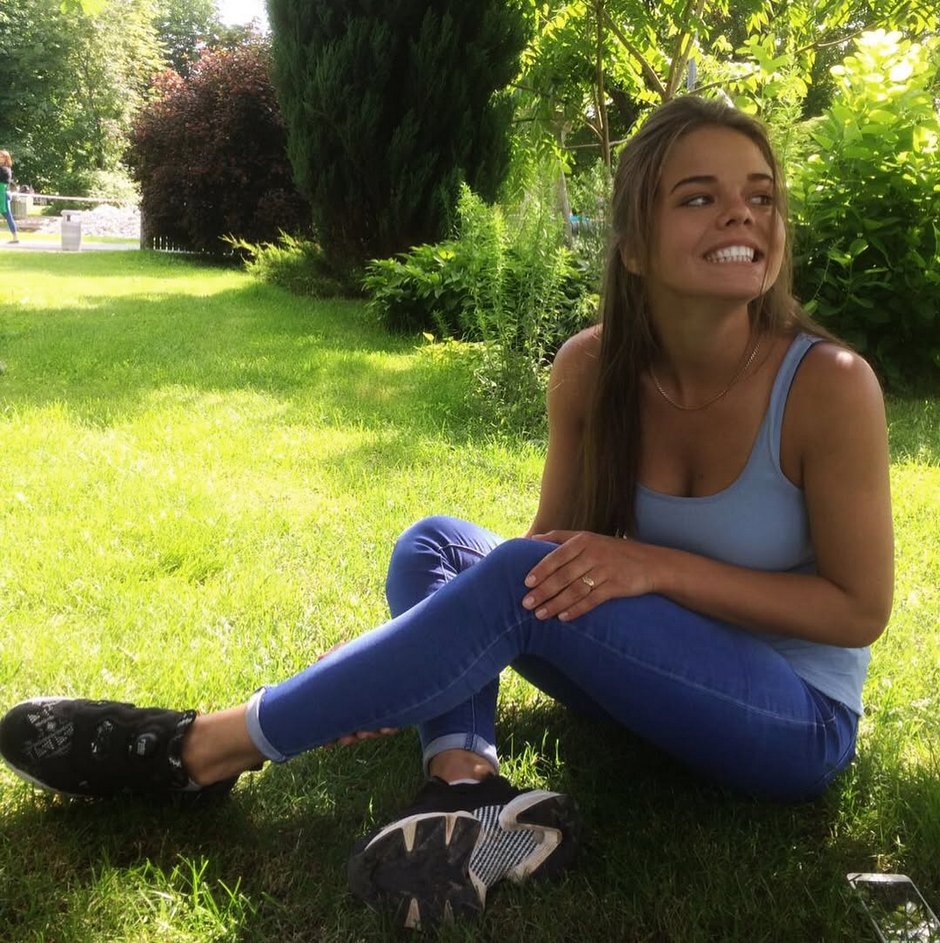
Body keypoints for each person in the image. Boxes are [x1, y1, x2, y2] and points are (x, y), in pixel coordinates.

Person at [0, 96, 894, 929]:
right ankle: (464, 785)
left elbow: (858, 610)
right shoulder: (592, 368)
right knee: (438, 545)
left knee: (505, 576)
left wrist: (656, 566)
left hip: (793, 724)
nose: (743, 216)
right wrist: (410, 656)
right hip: (645, 683)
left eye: (761, 197)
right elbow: (539, 560)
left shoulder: (827, 385)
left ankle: (203, 750)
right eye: (700, 197)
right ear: (631, 246)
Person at [0, 150, 20, 243]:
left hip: (3, 194)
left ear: (6, 159)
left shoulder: (5, 169)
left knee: (8, 215)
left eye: (1, 156)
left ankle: (15, 237)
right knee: (8, 215)